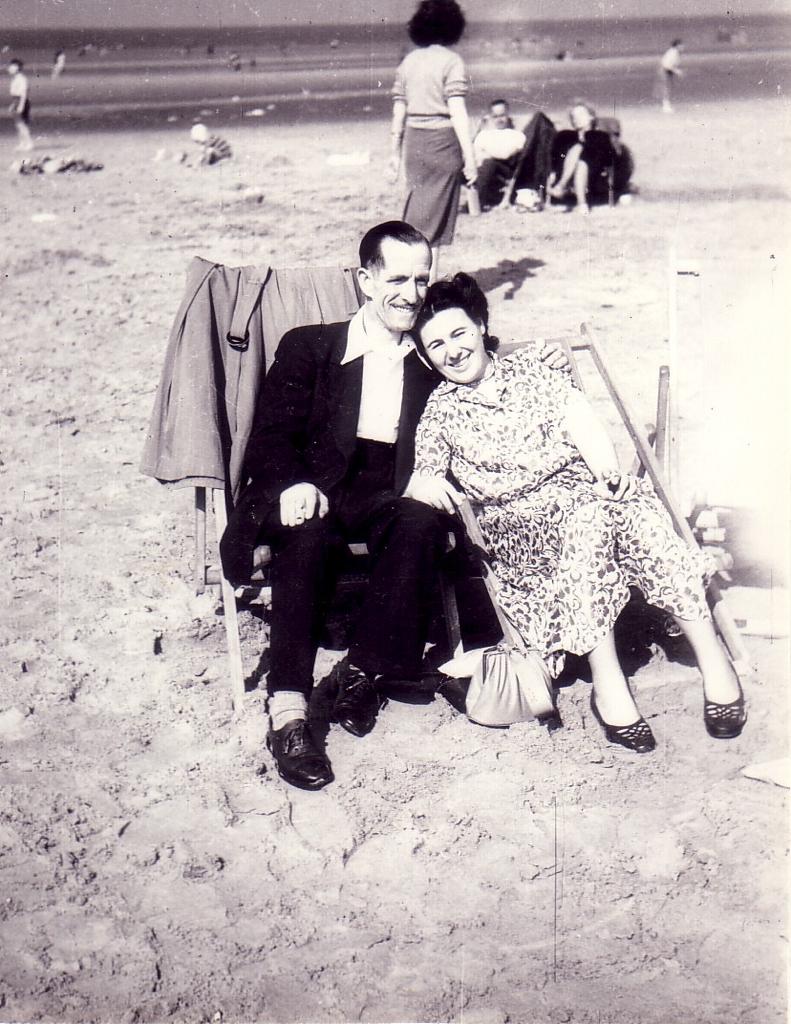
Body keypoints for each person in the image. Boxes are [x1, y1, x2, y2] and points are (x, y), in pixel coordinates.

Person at [220, 223, 569, 791]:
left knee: (420, 520)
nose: (411, 293)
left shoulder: (428, 357)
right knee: (306, 533)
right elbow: (271, 435)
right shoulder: (310, 345)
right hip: (313, 487)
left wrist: (539, 358)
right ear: (366, 280)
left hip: (387, 489)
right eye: (397, 279)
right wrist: (292, 483)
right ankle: (288, 714)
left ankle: (363, 669)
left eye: (421, 279)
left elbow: (477, 357)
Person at [406, 273, 746, 752]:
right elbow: (421, 481)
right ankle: (617, 680)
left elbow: (582, 425)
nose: (452, 351)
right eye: (436, 345)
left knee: (624, 505)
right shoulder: (439, 411)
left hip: (583, 501)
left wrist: (608, 474)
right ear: (426, 356)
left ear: (480, 325)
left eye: (458, 333)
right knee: (594, 516)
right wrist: (425, 483)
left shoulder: (535, 371)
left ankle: (704, 662)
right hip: (519, 529)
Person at [388, 0, 477, 281]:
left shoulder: (409, 62)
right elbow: (458, 113)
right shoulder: (451, 61)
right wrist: (471, 158)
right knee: (435, 226)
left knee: (417, 214)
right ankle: (426, 288)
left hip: (414, 143)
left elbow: (399, 110)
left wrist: (394, 153)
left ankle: (414, 281)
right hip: (443, 142)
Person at [547, 102, 615, 213]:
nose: (577, 118)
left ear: (591, 117)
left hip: (594, 174)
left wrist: (583, 144)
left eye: (581, 115)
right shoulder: (564, 135)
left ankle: (561, 186)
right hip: (565, 170)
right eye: (574, 116)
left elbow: (608, 158)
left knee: (581, 161)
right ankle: (582, 204)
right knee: (579, 158)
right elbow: (554, 157)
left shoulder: (601, 135)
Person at [472, 99, 526, 210]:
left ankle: (477, 204)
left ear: (508, 115)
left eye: (502, 115)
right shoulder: (484, 134)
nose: (499, 119)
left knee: (488, 163)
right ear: (490, 117)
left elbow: (505, 154)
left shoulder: (516, 135)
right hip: (485, 169)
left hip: (505, 171)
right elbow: (475, 153)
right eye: (495, 116)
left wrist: (487, 153)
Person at [7, 59, 33, 152]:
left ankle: (29, 143)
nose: (9, 69)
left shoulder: (22, 79)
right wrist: (13, 104)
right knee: (18, 124)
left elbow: (23, 93)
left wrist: (21, 105)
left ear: (17, 67)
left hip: (21, 101)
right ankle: (22, 143)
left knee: (22, 124)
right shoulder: (15, 78)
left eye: (11, 67)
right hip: (16, 101)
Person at [658, 39, 684, 113]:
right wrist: (676, 71)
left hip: (668, 71)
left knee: (668, 89)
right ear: (677, 45)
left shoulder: (675, 52)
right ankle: (666, 107)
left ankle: (666, 106)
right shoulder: (673, 53)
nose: (683, 47)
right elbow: (666, 64)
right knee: (666, 89)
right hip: (665, 71)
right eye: (681, 45)